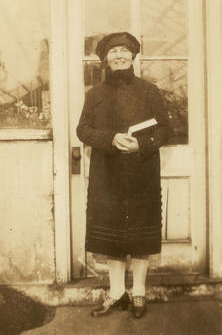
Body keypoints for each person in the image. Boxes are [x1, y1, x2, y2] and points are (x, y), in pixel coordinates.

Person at [76, 32, 173, 319]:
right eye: (113, 51)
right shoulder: (94, 94)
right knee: (111, 238)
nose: (119, 56)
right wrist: (110, 139)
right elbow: (82, 130)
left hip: (142, 173)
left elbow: (166, 130)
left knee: (141, 236)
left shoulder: (150, 90)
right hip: (107, 175)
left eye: (124, 51)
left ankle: (139, 293)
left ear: (133, 56)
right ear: (105, 58)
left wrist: (142, 144)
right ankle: (117, 294)